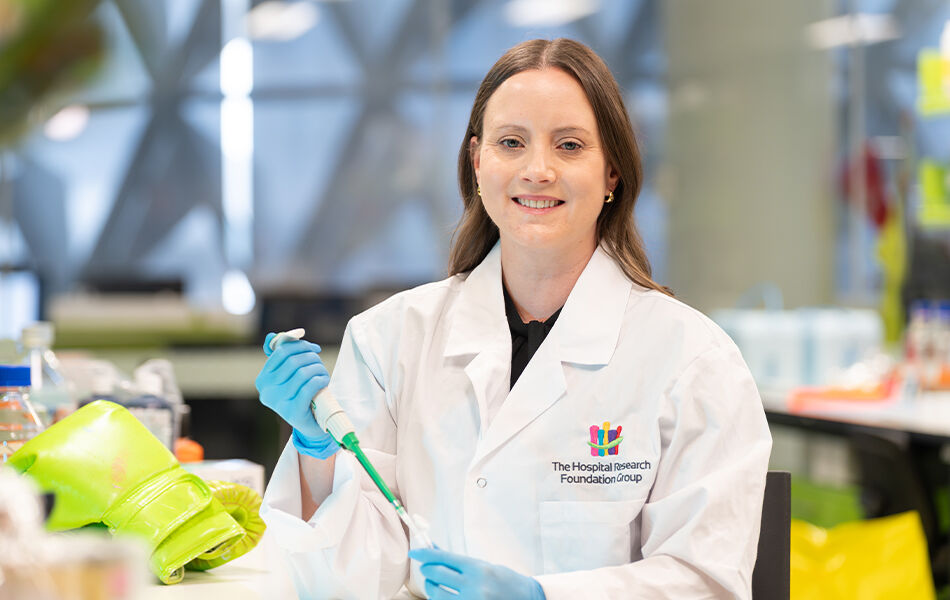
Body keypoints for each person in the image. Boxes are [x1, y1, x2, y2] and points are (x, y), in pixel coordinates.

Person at [257, 38, 772, 599]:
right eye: (511, 143)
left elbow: (706, 582)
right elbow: (344, 584)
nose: (538, 170)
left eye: (570, 145)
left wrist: (543, 597)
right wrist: (317, 452)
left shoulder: (693, 359)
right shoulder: (389, 340)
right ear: (478, 162)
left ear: (612, 174)